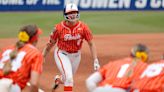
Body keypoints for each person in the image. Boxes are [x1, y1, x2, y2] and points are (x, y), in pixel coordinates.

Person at [42, 3, 100, 92]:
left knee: (67, 79)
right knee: (69, 79)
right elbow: (50, 44)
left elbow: (91, 43)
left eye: (74, 12)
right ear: (65, 14)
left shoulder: (83, 27)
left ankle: (58, 79)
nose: (73, 15)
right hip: (62, 54)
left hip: (76, 55)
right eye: (70, 13)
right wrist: (42, 56)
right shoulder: (58, 28)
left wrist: (95, 60)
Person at [0, 24, 43, 92]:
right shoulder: (35, 54)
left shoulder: (6, 49)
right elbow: (34, 83)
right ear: (35, 38)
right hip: (9, 88)